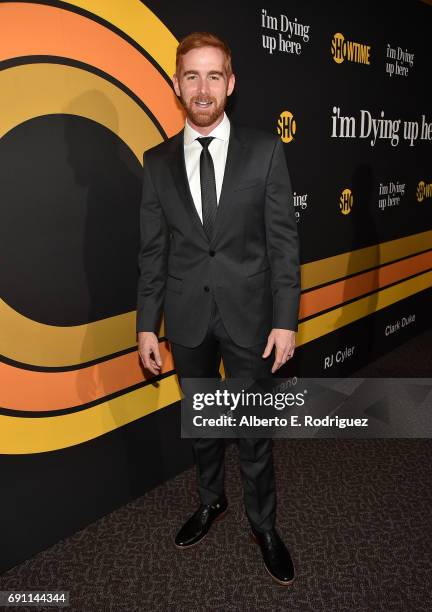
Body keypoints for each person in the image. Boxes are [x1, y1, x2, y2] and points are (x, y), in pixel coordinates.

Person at [136, 32, 300, 586]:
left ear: (230, 83)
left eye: (213, 76)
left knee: (253, 429)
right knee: (203, 424)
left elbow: (283, 243)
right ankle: (212, 500)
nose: (202, 88)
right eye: (191, 76)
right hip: (185, 319)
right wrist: (145, 326)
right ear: (176, 86)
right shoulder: (156, 162)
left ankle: (265, 524)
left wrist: (285, 320)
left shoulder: (265, 149)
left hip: (252, 317)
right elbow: (153, 251)